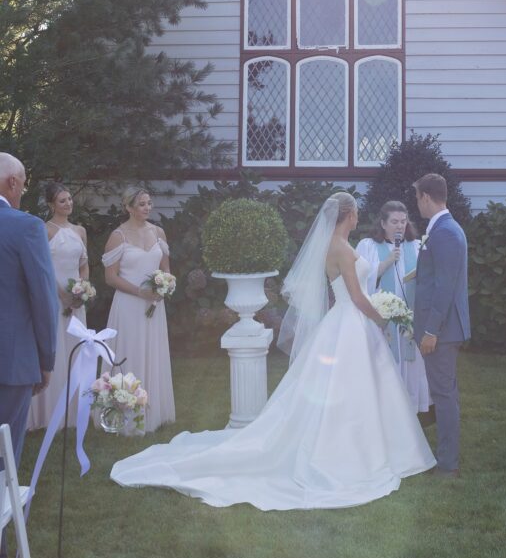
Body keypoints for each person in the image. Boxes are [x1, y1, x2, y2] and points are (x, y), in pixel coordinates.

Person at [110, 192, 435, 509]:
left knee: (350, 388)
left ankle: (362, 445)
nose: (359, 217)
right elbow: (357, 296)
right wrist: (381, 318)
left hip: (345, 322)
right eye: (356, 213)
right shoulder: (343, 251)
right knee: (351, 388)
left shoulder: (334, 246)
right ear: (348, 216)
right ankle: (353, 452)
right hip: (353, 321)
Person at [0, 153, 57, 558]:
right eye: (23, 183)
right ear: (12, 184)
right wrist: (47, 359)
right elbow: (43, 297)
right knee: (6, 457)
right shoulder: (26, 227)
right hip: (11, 363)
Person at [102, 187, 175, 433]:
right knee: (130, 353)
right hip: (129, 305)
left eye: (149, 203)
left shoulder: (158, 233)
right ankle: (124, 415)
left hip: (154, 305)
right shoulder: (118, 236)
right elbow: (110, 277)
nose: (147, 208)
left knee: (152, 352)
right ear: (129, 207)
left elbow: (166, 269)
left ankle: (154, 412)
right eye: (142, 204)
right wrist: (139, 291)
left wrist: (164, 286)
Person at [412, 174, 470, 477]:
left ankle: (447, 464)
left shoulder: (445, 232)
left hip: (442, 331)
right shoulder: (442, 229)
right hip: (441, 328)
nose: (417, 205)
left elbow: (444, 287)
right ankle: (447, 457)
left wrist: (431, 330)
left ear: (425, 197)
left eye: (417, 198)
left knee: (444, 395)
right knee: (445, 392)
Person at [356, 201, 430, 413]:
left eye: (403, 221)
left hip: (410, 317)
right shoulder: (368, 246)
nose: (400, 226)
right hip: (382, 317)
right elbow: (360, 279)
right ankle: (384, 409)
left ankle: (410, 409)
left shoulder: (416, 246)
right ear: (383, 223)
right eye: (395, 222)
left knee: (411, 361)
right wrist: (386, 262)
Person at [27, 182, 90, 431]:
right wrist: (62, 294)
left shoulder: (80, 230)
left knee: (76, 349)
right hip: (53, 296)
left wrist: (82, 288)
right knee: (55, 348)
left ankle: (75, 412)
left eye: (70, 199)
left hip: (76, 300)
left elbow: (84, 263)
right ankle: (49, 412)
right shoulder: (45, 230)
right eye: (62, 200)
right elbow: (44, 267)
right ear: (52, 204)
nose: (68, 204)